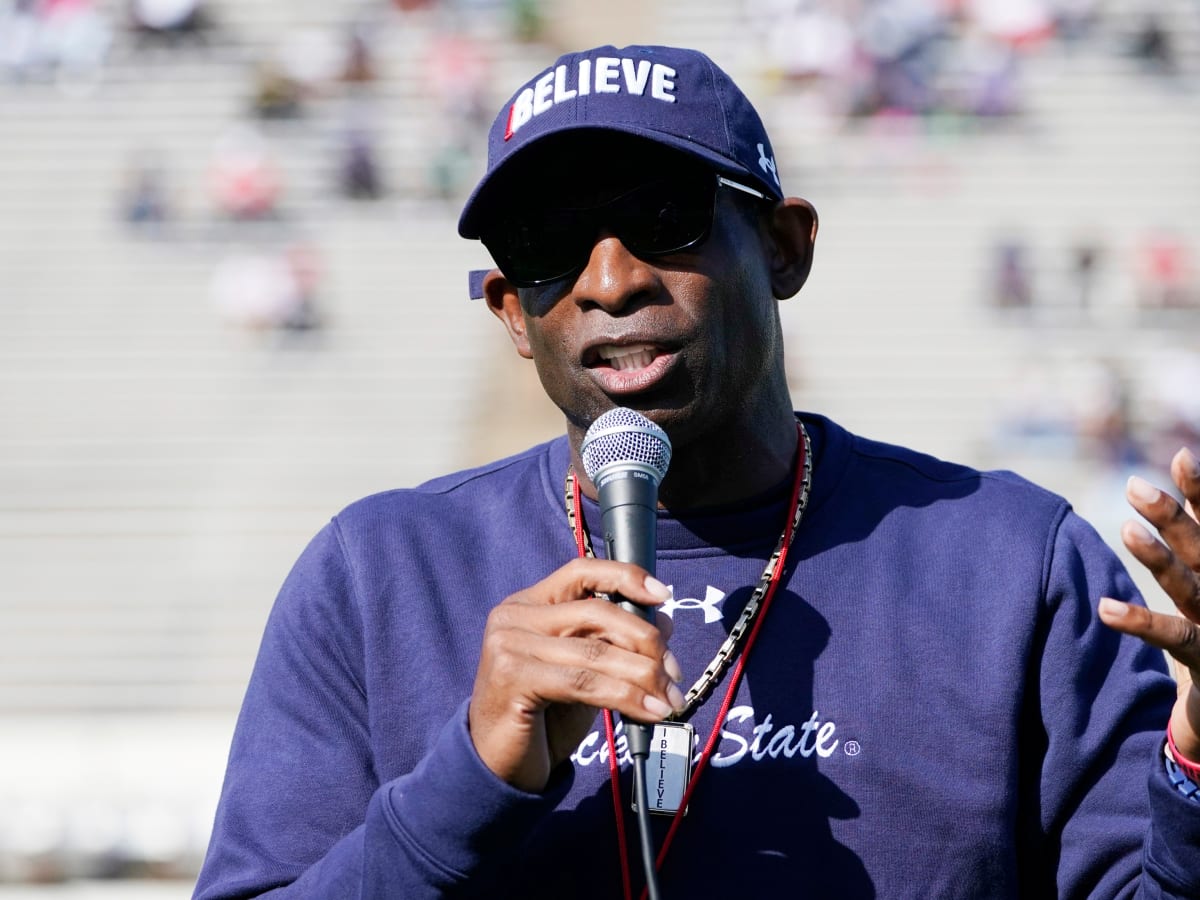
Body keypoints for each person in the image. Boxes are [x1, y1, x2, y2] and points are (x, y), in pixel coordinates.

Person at [193, 44, 1200, 899]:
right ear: (510, 312)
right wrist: (469, 778)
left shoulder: (1011, 559)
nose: (610, 279)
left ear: (784, 247)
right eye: (549, 244)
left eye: (663, 215)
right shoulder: (380, 575)